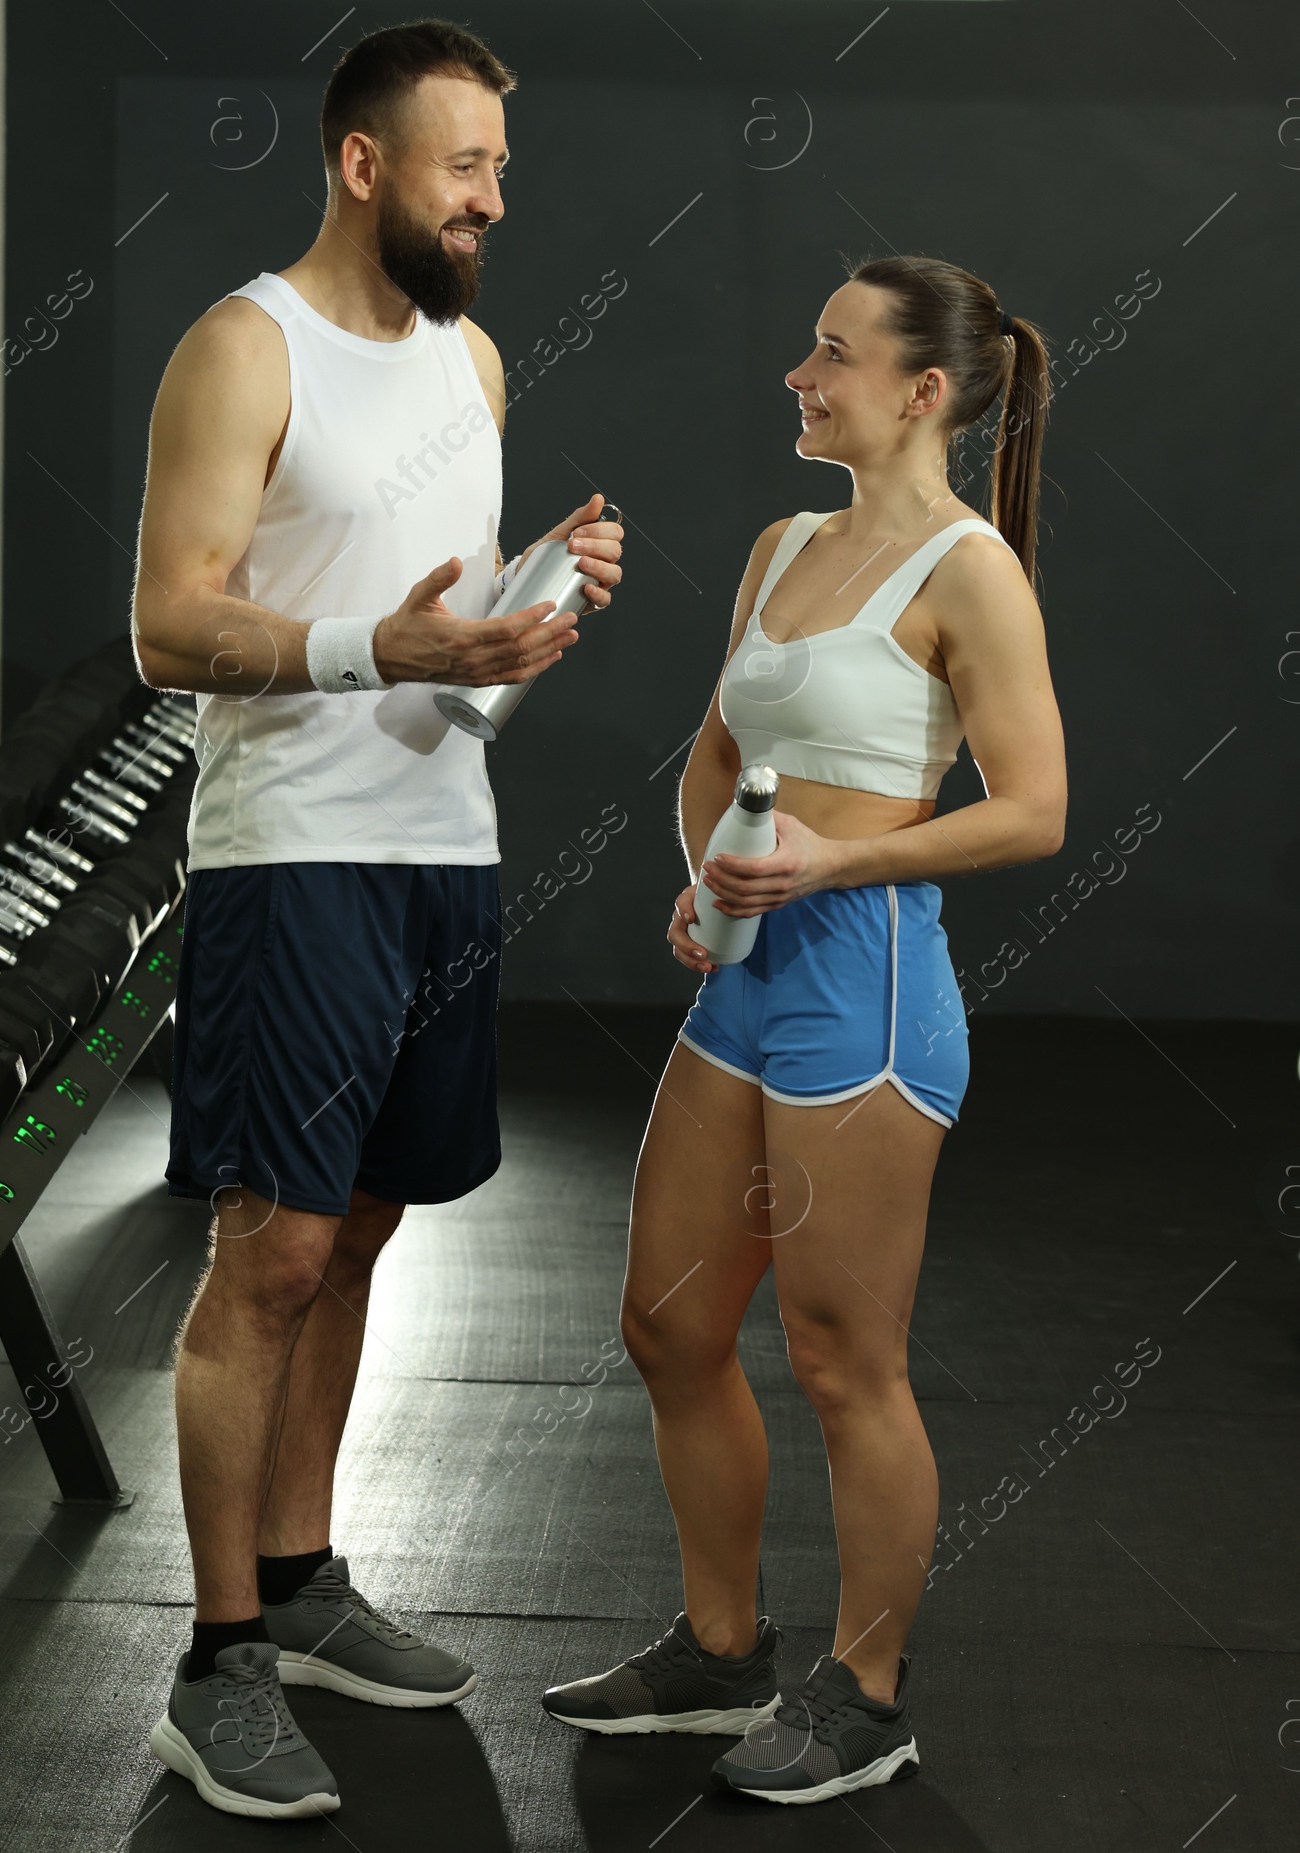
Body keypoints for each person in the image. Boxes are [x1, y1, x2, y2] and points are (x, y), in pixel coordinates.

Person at [129, 20, 624, 1820]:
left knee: (362, 1229)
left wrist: (517, 615)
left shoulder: (472, 362)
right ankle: (215, 1659)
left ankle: (306, 1575)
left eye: (498, 165)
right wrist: (389, 642)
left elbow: (429, 639)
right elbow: (170, 630)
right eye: (467, 164)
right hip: (291, 857)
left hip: (442, 846)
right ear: (363, 164)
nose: (496, 194)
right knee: (267, 1252)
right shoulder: (241, 346)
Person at [541, 256, 1065, 1804]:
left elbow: (1036, 810)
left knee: (844, 1358)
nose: (798, 373)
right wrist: (703, 872)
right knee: (670, 1321)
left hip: (870, 977)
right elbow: (717, 748)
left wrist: (838, 858)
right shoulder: (784, 543)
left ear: (922, 393)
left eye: (831, 356)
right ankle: (720, 1648)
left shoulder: (972, 571)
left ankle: (870, 1689)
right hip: (749, 971)